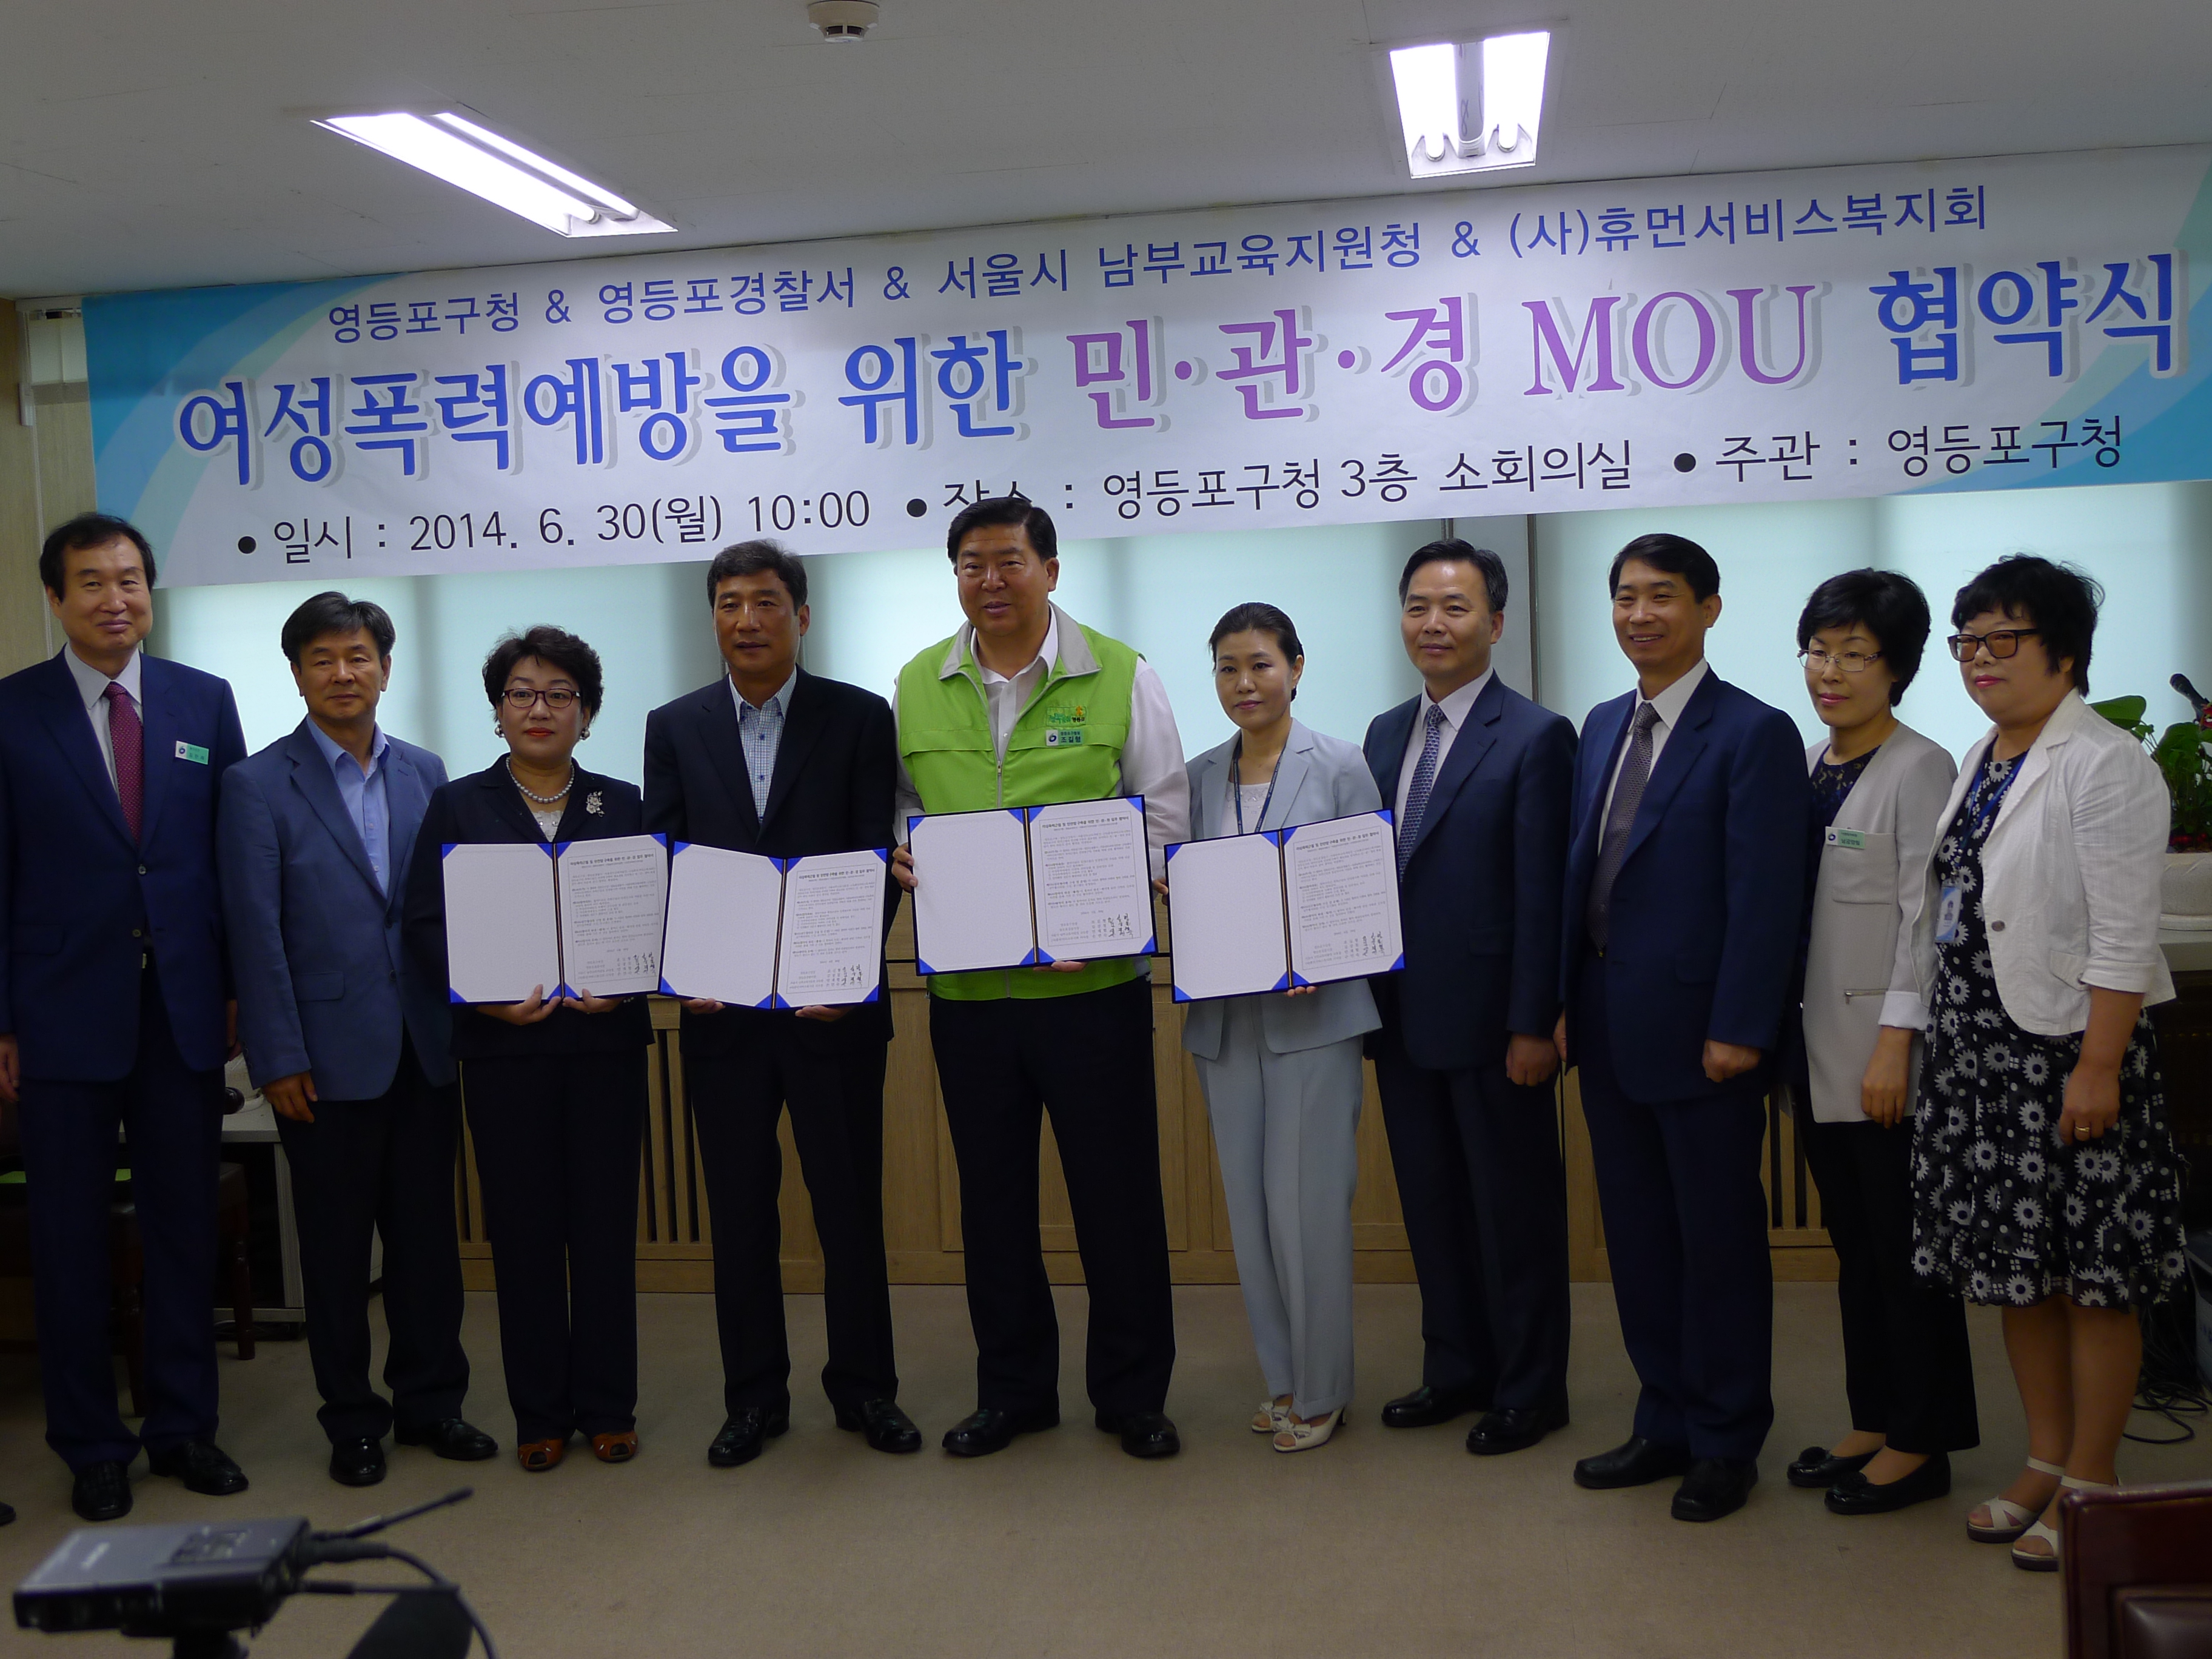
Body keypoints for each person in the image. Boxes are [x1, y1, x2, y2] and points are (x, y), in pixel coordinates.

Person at [889, 497, 1192, 1460]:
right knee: (993, 1205)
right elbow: (903, 811)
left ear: (1051, 571)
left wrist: (1098, 909)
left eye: (1010, 561)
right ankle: (1014, 1391)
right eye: (972, 564)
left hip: (1092, 991)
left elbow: (1165, 817)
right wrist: (904, 855)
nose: (991, 580)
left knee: (1118, 1198)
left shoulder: (1122, 672)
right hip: (971, 999)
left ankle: (1131, 1395)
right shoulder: (917, 682)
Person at [1904, 556, 2187, 1570]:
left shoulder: (2105, 762)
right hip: (1980, 1059)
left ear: (2064, 653)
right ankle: (2043, 1461)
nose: (1980, 658)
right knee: (2018, 1276)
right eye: (1968, 640)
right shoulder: (1983, 756)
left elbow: (2124, 935)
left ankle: (2094, 1482)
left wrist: (2098, 1066)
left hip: (2068, 1053)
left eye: (2004, 639)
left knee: (2094, 1280)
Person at [643, 541, 917, 1466]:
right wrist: (683, 969)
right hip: (722, 1019)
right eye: (729, 603)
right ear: (713, 619)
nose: (746, 620)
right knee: (739, 1214)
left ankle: (867, 1390)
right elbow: (664, 861)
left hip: (832, 1016)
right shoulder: (674, 726)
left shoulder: (860, 716)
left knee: (850, 1209)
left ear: (802, 616)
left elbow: (872, 857)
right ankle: (754, 1399)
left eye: (765, 602)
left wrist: (848, 974)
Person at [0, 513, 249, 1523]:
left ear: (151, 590)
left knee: (181, 1226)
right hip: (59, 1015)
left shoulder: (204, 699)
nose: (116, 599)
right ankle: (92, 1444)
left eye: (131, 579)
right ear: (56, 597)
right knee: (68, 1238)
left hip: (181, 1008)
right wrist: (3, 1021)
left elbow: (229, 858)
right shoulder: (12, 711)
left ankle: (184, 1428)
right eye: (93, 582)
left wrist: (236, 989)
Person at [1555, 532, 1809, 1523]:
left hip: (1707, 1035)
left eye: (1662, 596)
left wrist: (1742, 1025)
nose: (1639, 615)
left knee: (1718, 1243)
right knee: (1640, 1240)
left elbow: (1766, 897)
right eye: (1625, 596)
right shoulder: (1601, 725)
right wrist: (1561, 1004)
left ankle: (1726, 1436)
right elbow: (1584, 881)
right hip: (1608, 1026)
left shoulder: (1753, 732)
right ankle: (1662, 1417)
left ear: (1709, 608)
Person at [219, 591, 497, 1487]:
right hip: (321, 1058)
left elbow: (444, 907)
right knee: (337, 1254)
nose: (344, 674)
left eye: (359, 657)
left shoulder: (426, 770)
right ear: (298, 674)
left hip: (423, 1044)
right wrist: (277, 1057)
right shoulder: (257, 784)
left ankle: (432, 1403)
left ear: (385, 667)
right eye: (323, 660)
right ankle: (352, 1422)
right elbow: (254, 932)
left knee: (426, 1244)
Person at [405, 627, 653, 1472]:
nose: (539, 708)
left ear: (587, 713)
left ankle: (610, 1407)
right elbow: (424, 924)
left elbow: (659, 914)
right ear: (498, 710)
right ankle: (540, 1414)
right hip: (504, 1053)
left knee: (605, 1232)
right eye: (521, 693)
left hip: (605, 1047)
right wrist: (483, 997)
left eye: (559, 694)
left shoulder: (625, 805)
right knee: (522, 1235)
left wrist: (629, 985)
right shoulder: (459, 805)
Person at [1361, 541, 1577, 1456]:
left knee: (1514, 1214)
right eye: (1418, 606)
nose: (1434, 624)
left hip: (1496, 1024)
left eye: (1455, 607)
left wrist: (1535, 1022)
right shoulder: (1383, 734)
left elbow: (1545, 894)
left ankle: (1530, 1389)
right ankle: (1455, 1367)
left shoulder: (1536, 735)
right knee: (1434, 1207)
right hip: (1401, 1019)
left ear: (1496, 621)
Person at [1779, 571, 1979, 1516]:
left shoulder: (1919, 766)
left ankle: (1922, 1440)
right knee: (1856, 1245)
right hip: (1815, 1045)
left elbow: (1925, 920)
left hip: (1882, 1052)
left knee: (1906, 1252)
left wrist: (1899, 1040)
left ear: (1896, 667)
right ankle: (1874, 1417)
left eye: (1855, 655)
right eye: (1819, 651)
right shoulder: (1809, 763)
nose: (1831, 671)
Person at [1177, 603, 1380, 1452]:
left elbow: (1368, 885)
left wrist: (1326, 951)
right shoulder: (1197, 775)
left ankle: (1324, 1389)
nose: (1245, 683)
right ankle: (1284, 1378)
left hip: (1316, 1017)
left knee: (1309, 1210)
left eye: (1261, 664)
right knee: (1253, 1216)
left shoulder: (1340, 763)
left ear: (1296, 668)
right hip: (1227, 1023)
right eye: (1227, 668)